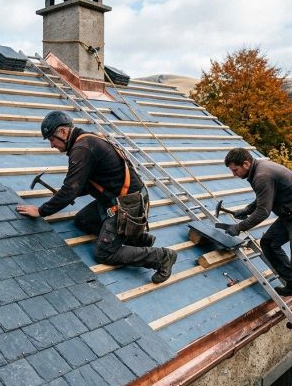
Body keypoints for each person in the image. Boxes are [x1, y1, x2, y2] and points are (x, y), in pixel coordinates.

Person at [16, 111, 177, 283]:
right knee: (82, 221)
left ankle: (161, 257)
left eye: (52, 139)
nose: (51, 145)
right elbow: (83, 184)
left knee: (104, 252)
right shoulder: (86, 140)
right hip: (119, 200)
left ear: (63, 132)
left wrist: (41, 211)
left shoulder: (82, 148)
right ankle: (137, 238)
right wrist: (71, 193)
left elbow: (71, 188)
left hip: (127, 205)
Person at [222, 148, 292, 329]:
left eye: (235, 170)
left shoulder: (262, 175)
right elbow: (266, 196)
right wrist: (247, 210)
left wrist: (238, 227)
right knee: (269, 243)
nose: (234, 174)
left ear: (246, 164)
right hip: (291, 215)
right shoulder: (259, 170)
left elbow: (263, 211)